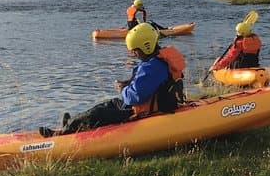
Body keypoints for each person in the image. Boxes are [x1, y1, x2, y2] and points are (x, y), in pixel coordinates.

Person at [39, 23, 186, 137]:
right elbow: (147, 84)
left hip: (137, 111)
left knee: (98, 115)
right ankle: (71, 124)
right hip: (141, 104)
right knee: (105, 105)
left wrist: (123, 90)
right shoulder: (156, 61)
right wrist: (128, 83)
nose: (133, 54)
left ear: (146, 47)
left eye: (135, 50)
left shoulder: (153, 67)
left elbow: (134, 97)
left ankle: (61, 134)